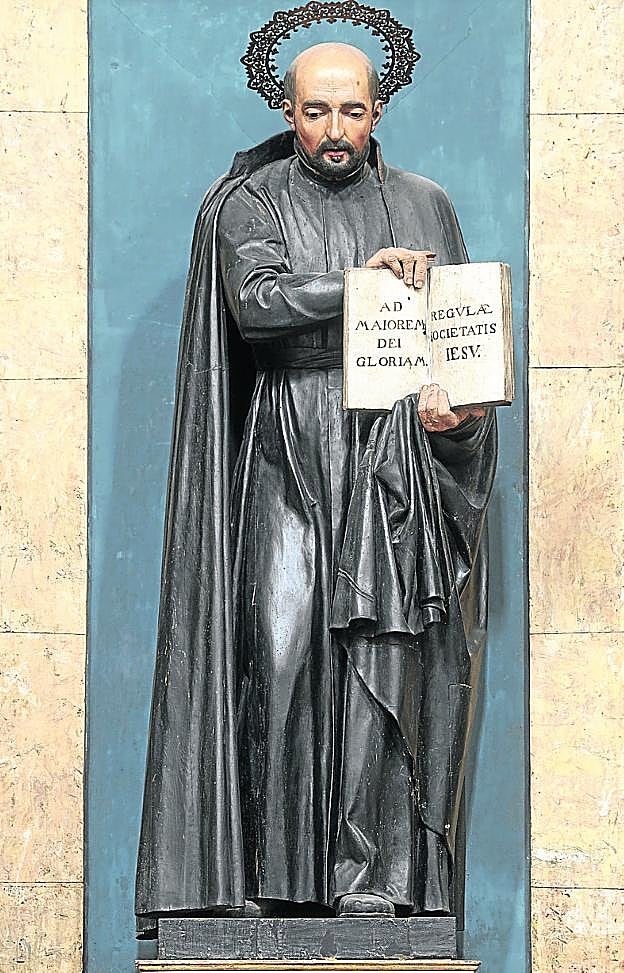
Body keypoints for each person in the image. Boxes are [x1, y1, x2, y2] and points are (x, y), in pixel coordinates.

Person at [135, 42, 497, 938]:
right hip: (289, 449)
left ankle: (371, 882)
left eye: (352, 111)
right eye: (315, 112)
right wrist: (360, 282)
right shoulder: (249, 202)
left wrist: (457, 421)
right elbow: (254, 302)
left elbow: (462, 349)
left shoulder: (425, 204)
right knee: (282, 652)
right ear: (287, 111)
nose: (335, 131)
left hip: (389, 458)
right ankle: (276, 879)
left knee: (379, 652)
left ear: (379, 110)